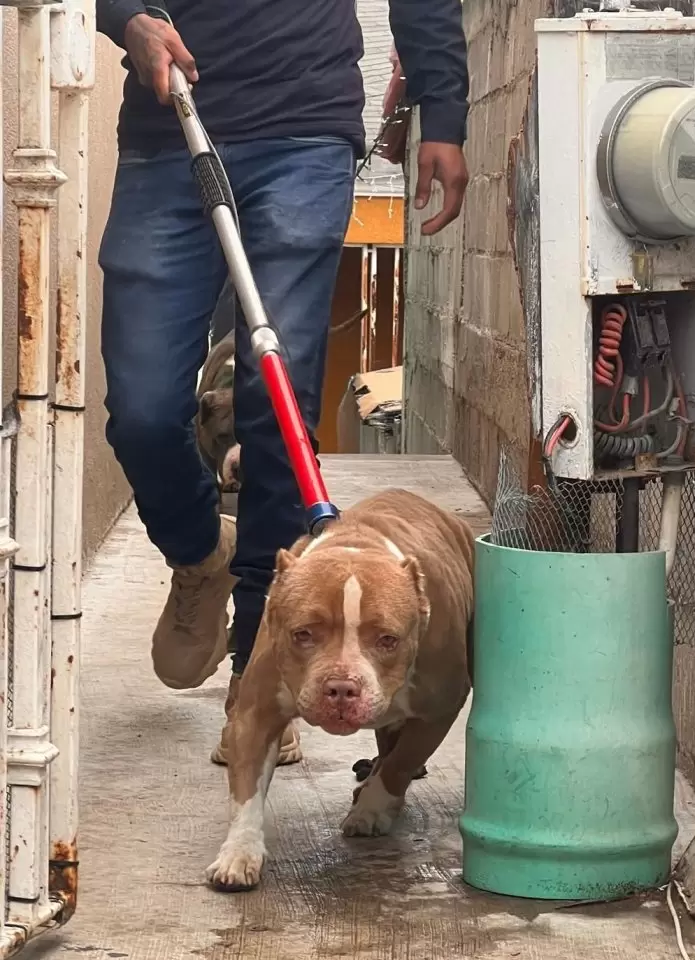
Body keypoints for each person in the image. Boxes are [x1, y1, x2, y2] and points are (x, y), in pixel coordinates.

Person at [95, 0, 469, 765]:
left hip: (304, 129)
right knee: (141, 410)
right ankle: (200, 550)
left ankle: (258, 682)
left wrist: (445, 112)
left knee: (277, 407)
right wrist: (123, 18)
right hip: (172, 127)